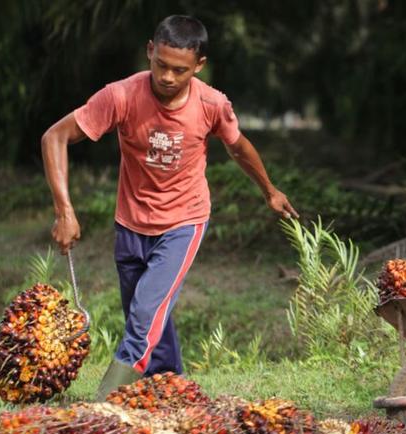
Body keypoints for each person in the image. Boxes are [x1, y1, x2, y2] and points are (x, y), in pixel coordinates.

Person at [41, 15, 299, 400]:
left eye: (179, 70)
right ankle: (173, 392)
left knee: (144, 318)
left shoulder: (212, 103)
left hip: (184, 222)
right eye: (161, 65)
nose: (167, 76)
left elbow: (238, 146)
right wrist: (64, 211)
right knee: (146, 318)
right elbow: (55, 136)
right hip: (129, 224)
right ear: (150, 51)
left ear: (198, 66)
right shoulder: (121, 96)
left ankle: (102, 406)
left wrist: (269, 190)